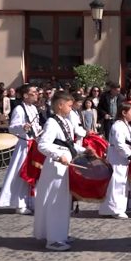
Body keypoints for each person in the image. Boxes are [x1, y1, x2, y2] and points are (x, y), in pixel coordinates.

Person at [34, 92, 93, 251]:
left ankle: (60, 234)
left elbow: (67, 145)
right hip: (56, 168)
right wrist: (59, 156)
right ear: (60, 105)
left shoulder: (65, 122)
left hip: (65, 166)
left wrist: (83, 150)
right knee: (55, 201)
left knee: (63, 202)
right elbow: (43, 145)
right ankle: (53, 239)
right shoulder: (52, 123)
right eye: (68, 104)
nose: (71, 107)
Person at [0, 84, 42, 215]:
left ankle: (32, 201)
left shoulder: (34, 108)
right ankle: (20, 203)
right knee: (21, 174)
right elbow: (12, 128)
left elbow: (36, 125)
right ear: (25, 95)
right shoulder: (19, 109)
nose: (36, 94)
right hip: (24, 146)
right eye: (33, 92)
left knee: (33, 173)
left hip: (33, 144)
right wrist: (23, 127)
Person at [99, 102, 131, 219]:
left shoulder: (126, 125)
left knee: (123, 183)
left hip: (123, 158)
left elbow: (130, 142)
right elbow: (119, 144)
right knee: (116, 183)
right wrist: (129, 154)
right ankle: (114, 209)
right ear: (124, 113)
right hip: (116, 158)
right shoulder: (117, 126)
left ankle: (121, 206)